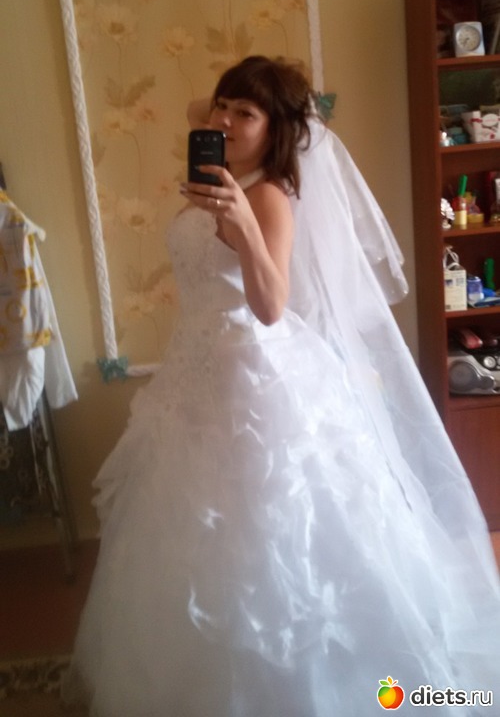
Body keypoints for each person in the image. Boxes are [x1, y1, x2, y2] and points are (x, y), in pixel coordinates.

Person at [63, 56, 500, 716]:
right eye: (221, 106)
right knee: (189, 530)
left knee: (267, 531)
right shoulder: (216, 172)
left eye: (245, 113)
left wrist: (242, 224)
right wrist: (231, 117)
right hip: (193, 372)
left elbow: (271, 306)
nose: (223, 120)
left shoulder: (266, 195)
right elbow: (205, 116)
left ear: (277, 130)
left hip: (253, 380)